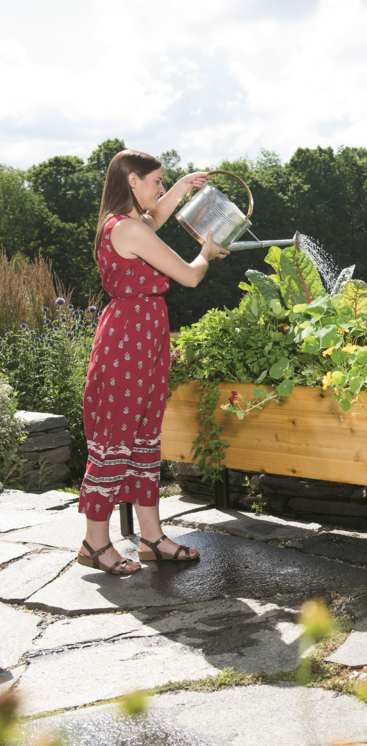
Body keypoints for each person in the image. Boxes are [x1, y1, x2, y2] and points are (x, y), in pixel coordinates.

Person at [77, 149, 229, 575]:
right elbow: (189, 275)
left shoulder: (126, 224)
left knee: (144, 438)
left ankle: (152, 537)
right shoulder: (128, 229)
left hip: (141, 338)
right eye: (156, 183)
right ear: (132, 182)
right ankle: (95, 542)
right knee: (115, 438)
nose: (160, 190)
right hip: (128, 343)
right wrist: (207, 250)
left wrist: (182, 187)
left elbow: (155, 218)